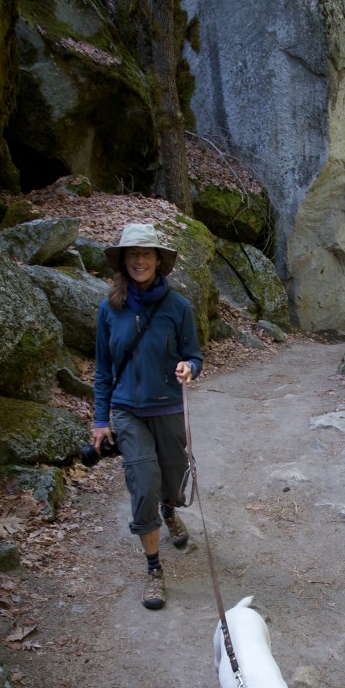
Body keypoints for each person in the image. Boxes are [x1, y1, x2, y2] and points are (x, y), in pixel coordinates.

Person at [92, 223, 203, 611]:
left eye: (146, 253)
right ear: (124, 261)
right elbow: (103, 369)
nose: (139, 260)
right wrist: (100, 420)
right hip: (127, 411)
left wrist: (189, 366)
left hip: (169, 407)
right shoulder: (110, 308)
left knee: (172, 480)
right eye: (132, 254)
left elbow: (195, 355)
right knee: (143, 481)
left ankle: (170, 510)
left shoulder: (179, 307)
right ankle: (154, 569)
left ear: (159, 260)